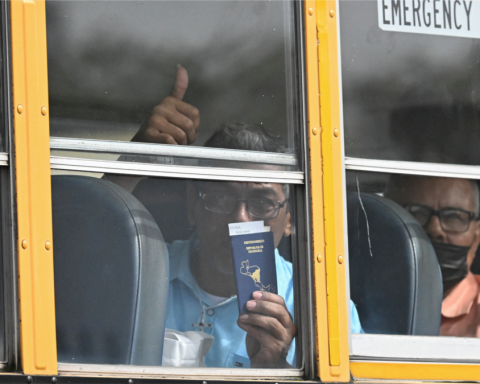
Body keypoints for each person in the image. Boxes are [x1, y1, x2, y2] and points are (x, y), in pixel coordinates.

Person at [119, 66, 363, 368]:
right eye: (220, 198)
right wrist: (132, 162)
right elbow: (73, 255)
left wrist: (277, 368)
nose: (241, 219)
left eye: (262, 203)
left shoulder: (322, 307)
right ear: (193, 207)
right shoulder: (143, 274)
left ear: (290, 220)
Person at [384, 175, 480, 337]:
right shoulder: (356, 304)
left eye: (453, 216)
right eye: (416, 213)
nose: (435, 229)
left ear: (477, 236)